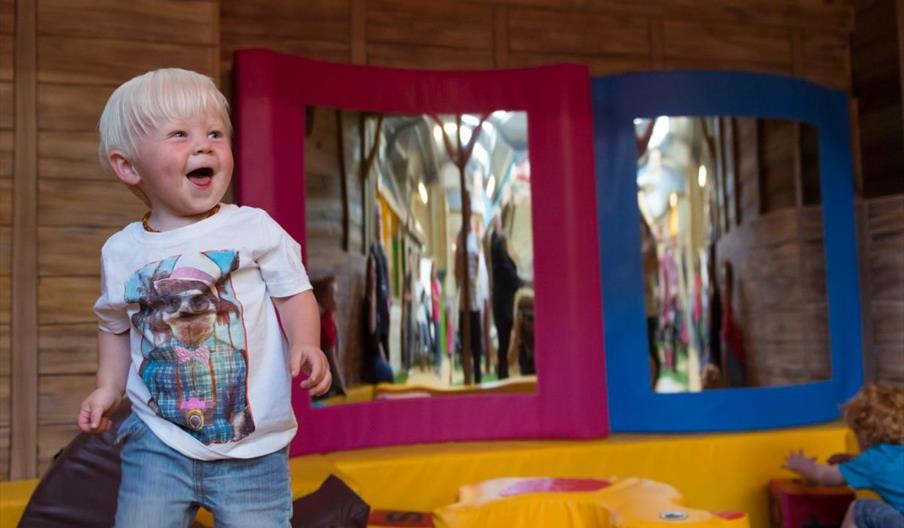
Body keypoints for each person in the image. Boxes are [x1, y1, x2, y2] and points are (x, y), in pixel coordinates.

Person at [77, 68, 331, 527]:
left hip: (252, 448)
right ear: (129, 166)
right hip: (157, 441)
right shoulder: (122, 252)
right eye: (180, 135)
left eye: (216, 133)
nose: (203, 145)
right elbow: (113, 324)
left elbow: (293, 291)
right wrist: (108, 386)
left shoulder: (251, 228)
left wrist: (306, 341)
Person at [783, 384, 904, 527]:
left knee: (858, 509)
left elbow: (826, 476)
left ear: (864, 436)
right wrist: (852, 460)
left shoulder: (870, 461)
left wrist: (803, 466)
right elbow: (889, 469)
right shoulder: (891, 456)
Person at [489, 215, 522, 380]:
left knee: (503, 341)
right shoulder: (498, 247)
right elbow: (508, 271)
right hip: (504, 303)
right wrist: (521, 283)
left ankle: (503, 372)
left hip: (501, 301)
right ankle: (503, 373)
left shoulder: (496, 247)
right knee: (503, 340)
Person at [312, 275, 347, 398]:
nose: (337, 299)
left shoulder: (330, 319)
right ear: (323, 297)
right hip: (326, 383)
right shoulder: (325, 322)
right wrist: (342, 385)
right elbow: (332, 359)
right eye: (334, 295)